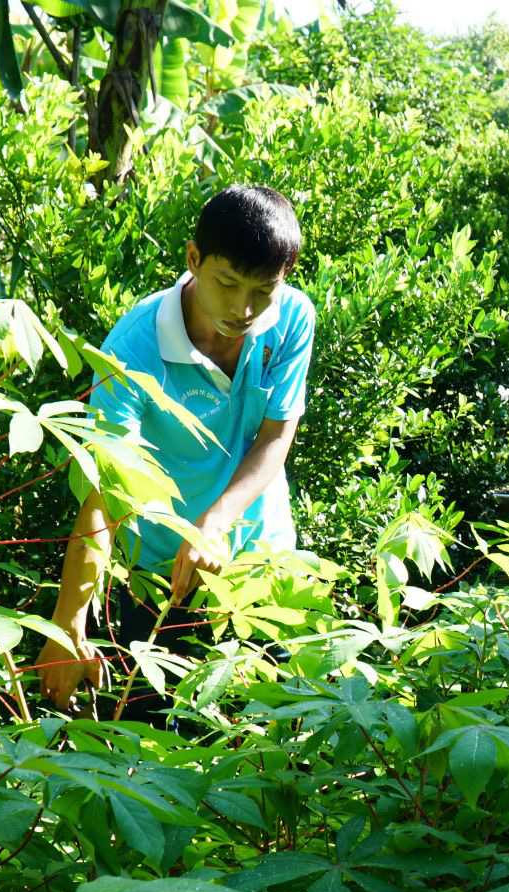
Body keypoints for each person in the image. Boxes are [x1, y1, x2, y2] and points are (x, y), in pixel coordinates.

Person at [34, 185, 314, 711]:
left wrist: (215, 523)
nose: (243, 308)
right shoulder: (134, 348)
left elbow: (277, 434)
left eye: (262, 290)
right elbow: (105, 493)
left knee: (260, 741)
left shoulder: (294, 319)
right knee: (149, 742)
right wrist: (68, 622)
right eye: (227, 283)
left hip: (259, 557)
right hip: (156, 574)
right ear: (192, 258)